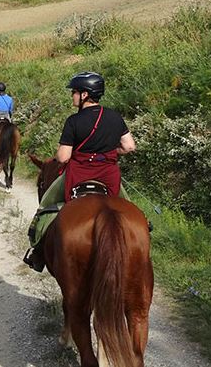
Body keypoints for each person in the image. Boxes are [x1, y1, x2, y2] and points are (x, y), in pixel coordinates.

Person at [24, 71, 136, 272]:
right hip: (109, 177)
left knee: (45, 206)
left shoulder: (73, 122)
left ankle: (37, 251)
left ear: (85, 94)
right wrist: (110, 152)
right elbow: (129, 147)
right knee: (129, 209)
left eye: (74, 92)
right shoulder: (115, 117)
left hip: (78, 175)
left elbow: (63, 158)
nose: (72, 96)